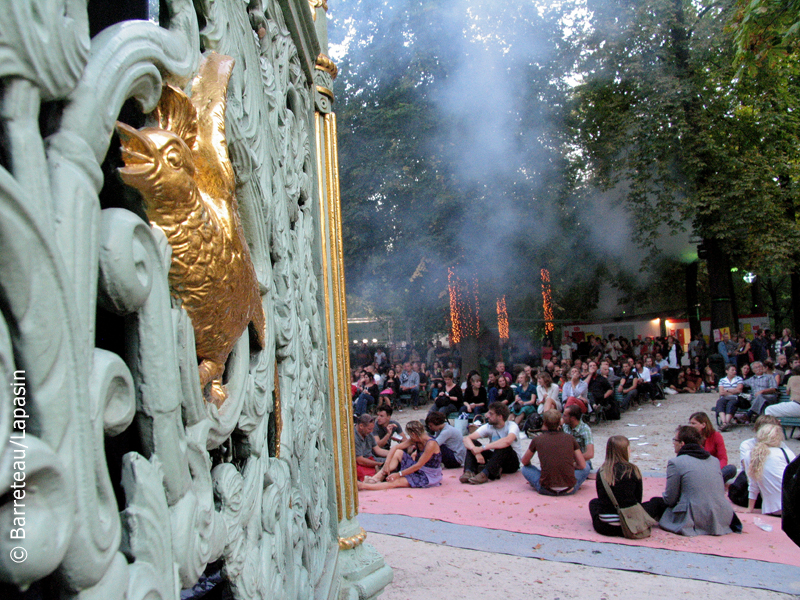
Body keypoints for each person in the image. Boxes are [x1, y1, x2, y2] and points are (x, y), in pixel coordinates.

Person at [651, 426, 741, 536]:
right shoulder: (714, 461)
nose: (673, 443)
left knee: (655, 503)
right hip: (722, 516)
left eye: (675, 440)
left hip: (694, 517)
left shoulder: (676, 463)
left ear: (682, 444)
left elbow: (670, 499)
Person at [589, 436, 661, 536]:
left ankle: (608, 518)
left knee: (593, 503)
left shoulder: (602, 471)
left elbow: (602, 498)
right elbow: (637, 500)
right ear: (624, 451)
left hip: (606, 527)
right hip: (631, 525)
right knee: (656, 502)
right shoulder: (632, 470)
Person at [358, 421, 443, 490]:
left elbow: (418, 465)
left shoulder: (431, 444)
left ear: (413, 434)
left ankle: (364, 486)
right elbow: (395, 448)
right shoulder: (416, 438)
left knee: (396, 482)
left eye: (410, 435)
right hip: (418, 468)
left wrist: (399, 474)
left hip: (428, 474)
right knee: (398, 452)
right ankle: (377, 477)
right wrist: (387, 463)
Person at [521, 409, 586, 495]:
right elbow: (582, 465)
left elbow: (524, 461)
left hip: (546, 488)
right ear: (560, 422)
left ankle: (543, 481)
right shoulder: (570, 438)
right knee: (587, 466)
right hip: (568, 488)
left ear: (544, 423)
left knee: (525, 469)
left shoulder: (538, 439)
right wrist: (571, 465)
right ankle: (571, 486)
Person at [460, 402, 524, 485]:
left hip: (511, 462)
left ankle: (485, 474)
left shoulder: (512, 426)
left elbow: (507, 441)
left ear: (500, 417)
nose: (487, 415)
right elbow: (467, 439)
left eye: (491, 414)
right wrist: (476, 452)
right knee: (473, 443)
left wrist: (482, 448)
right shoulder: (488, 426)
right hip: (495, 458)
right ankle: (469, 471)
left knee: (503, 446)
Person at [743, 423, 796, 515]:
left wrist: (749, 508)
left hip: (770, 508)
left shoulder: (750, 455)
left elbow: (753, 485)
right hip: (791, 505)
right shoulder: (785, 453)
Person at [689, 412, 736, 482]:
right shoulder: (689, 438)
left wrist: (716, 470)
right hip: (697, 470)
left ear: (703, 425)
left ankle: (710, 481)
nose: (690, 426)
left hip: (714, 469)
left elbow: (723, 458)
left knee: (731, 469)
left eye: (693, 424)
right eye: (690, 423)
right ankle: (713, 482)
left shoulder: (716, 436)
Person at [562, 405, 594, 491]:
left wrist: (573, 460)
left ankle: (571, 486)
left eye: (565, 415)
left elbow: (590, 454)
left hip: (581, 461)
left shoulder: (585, 430)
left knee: (584, 468)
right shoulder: (565, 426)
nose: (562, 417)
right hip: (567, 461)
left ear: (572, 418)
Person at [714, 365, 744, 431]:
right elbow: (721, 392)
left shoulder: (739, 379)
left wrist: (727, 390)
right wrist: (733, 391)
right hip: (725, 397)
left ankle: (726, 423)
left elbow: (739, 390)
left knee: (731, 403)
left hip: (735, 398)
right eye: (732, 370)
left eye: (735, 370)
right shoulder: (722, 380)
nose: (734, 372)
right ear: (727, 371)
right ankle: (724, 422)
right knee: (720, 402)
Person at [354, 414, 384, 481]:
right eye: (369, 429)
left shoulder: (368, 433)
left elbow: (378, 450)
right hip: (361, 463)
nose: (371, 431)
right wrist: (378, 464)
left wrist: (392, 453)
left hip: (372, 459)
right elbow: (360, 460)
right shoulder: (354, 437)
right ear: (361, 426)